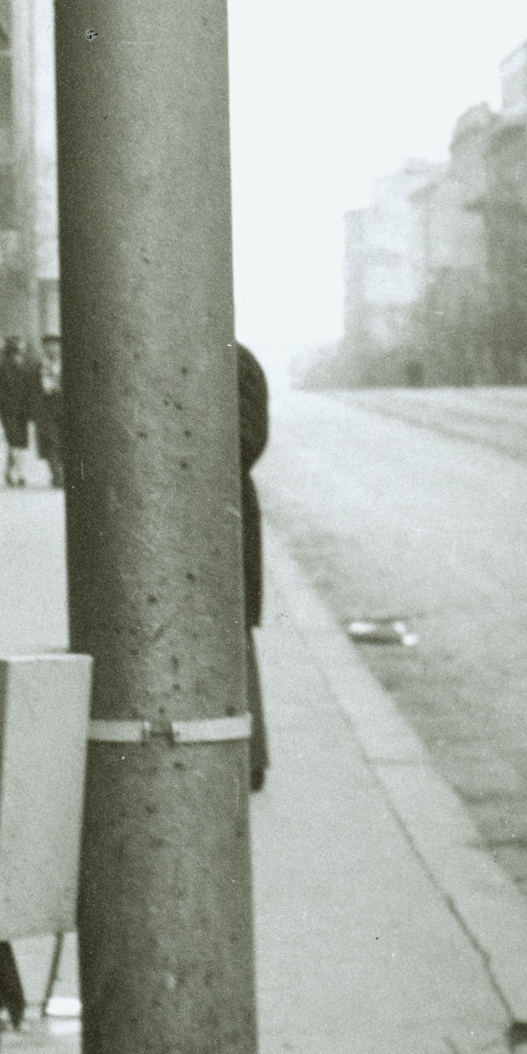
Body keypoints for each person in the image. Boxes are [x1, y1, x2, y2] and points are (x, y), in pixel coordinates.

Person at [237, 340, 271, 793]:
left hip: (225, 512)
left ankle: (250, 757)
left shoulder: (236, 359)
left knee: (232, 631)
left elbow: (248, 438)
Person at [0, 337, 35, 485]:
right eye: (18, 345)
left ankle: (9, 472)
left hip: (23, 410)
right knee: (14, 439)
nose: (21, 347)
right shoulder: (2, 365)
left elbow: (30, 387)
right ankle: (21, 475)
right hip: (7, 410)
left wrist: (30, 406)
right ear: (12, 348)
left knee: (18, 441)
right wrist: (4, 401)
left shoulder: (26, 364)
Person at [33, 333, 65, 487]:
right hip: (45, 409)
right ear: (44, 348)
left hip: (63, 407)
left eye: (55, 345)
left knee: (63, 442)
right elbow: (31, 389)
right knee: (51, 442)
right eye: (49, 346)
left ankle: (61, 474)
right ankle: (57, 476)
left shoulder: (66, 362)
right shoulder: (38, 365)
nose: (52, 349)